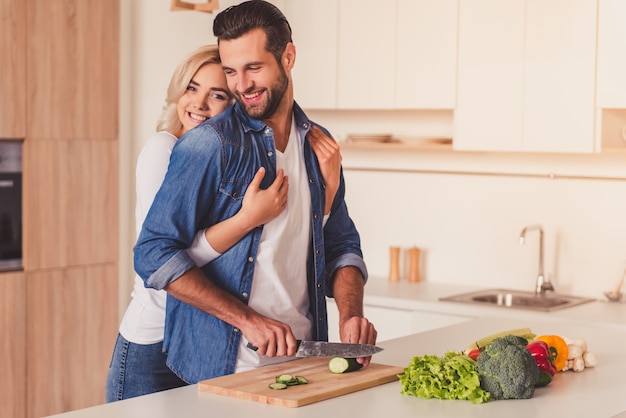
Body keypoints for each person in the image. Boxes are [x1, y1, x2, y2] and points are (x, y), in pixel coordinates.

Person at [133, 0, 377, 385]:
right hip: (225, 368)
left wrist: (350, 314)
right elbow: (152, 253)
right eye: (231, 71)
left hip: (304, 363)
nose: (241, 85)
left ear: (288, 57)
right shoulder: (209, 145)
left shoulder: (318, 145)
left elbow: (341, 243)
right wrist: (248, 321)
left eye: (254, 68)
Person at [106, 44, 289, 401]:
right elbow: (160, 260)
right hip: (152, 343)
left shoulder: (223, 164)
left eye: (216, 95)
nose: (199, 104)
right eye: (192, 88)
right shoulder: (164, 148)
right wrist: (248, 219)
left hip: (200, 343)